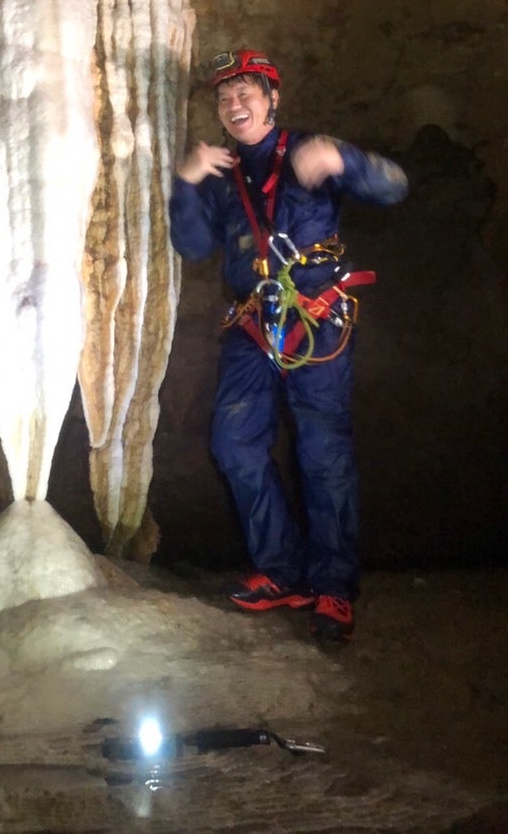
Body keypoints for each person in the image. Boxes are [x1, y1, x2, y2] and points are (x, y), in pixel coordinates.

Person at [168, 49, 408, 642]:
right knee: (233, 442)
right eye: (226, 97)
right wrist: (186, 180)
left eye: (249, 92)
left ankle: (332, 586)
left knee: (323, 451)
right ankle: (282, 571)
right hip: (254, 326)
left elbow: (394, 187)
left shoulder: (308, 148)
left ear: (274, 100)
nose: (236, 104)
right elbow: (194, 246)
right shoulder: (219, 173)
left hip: (317, 319)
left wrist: (344, 159)